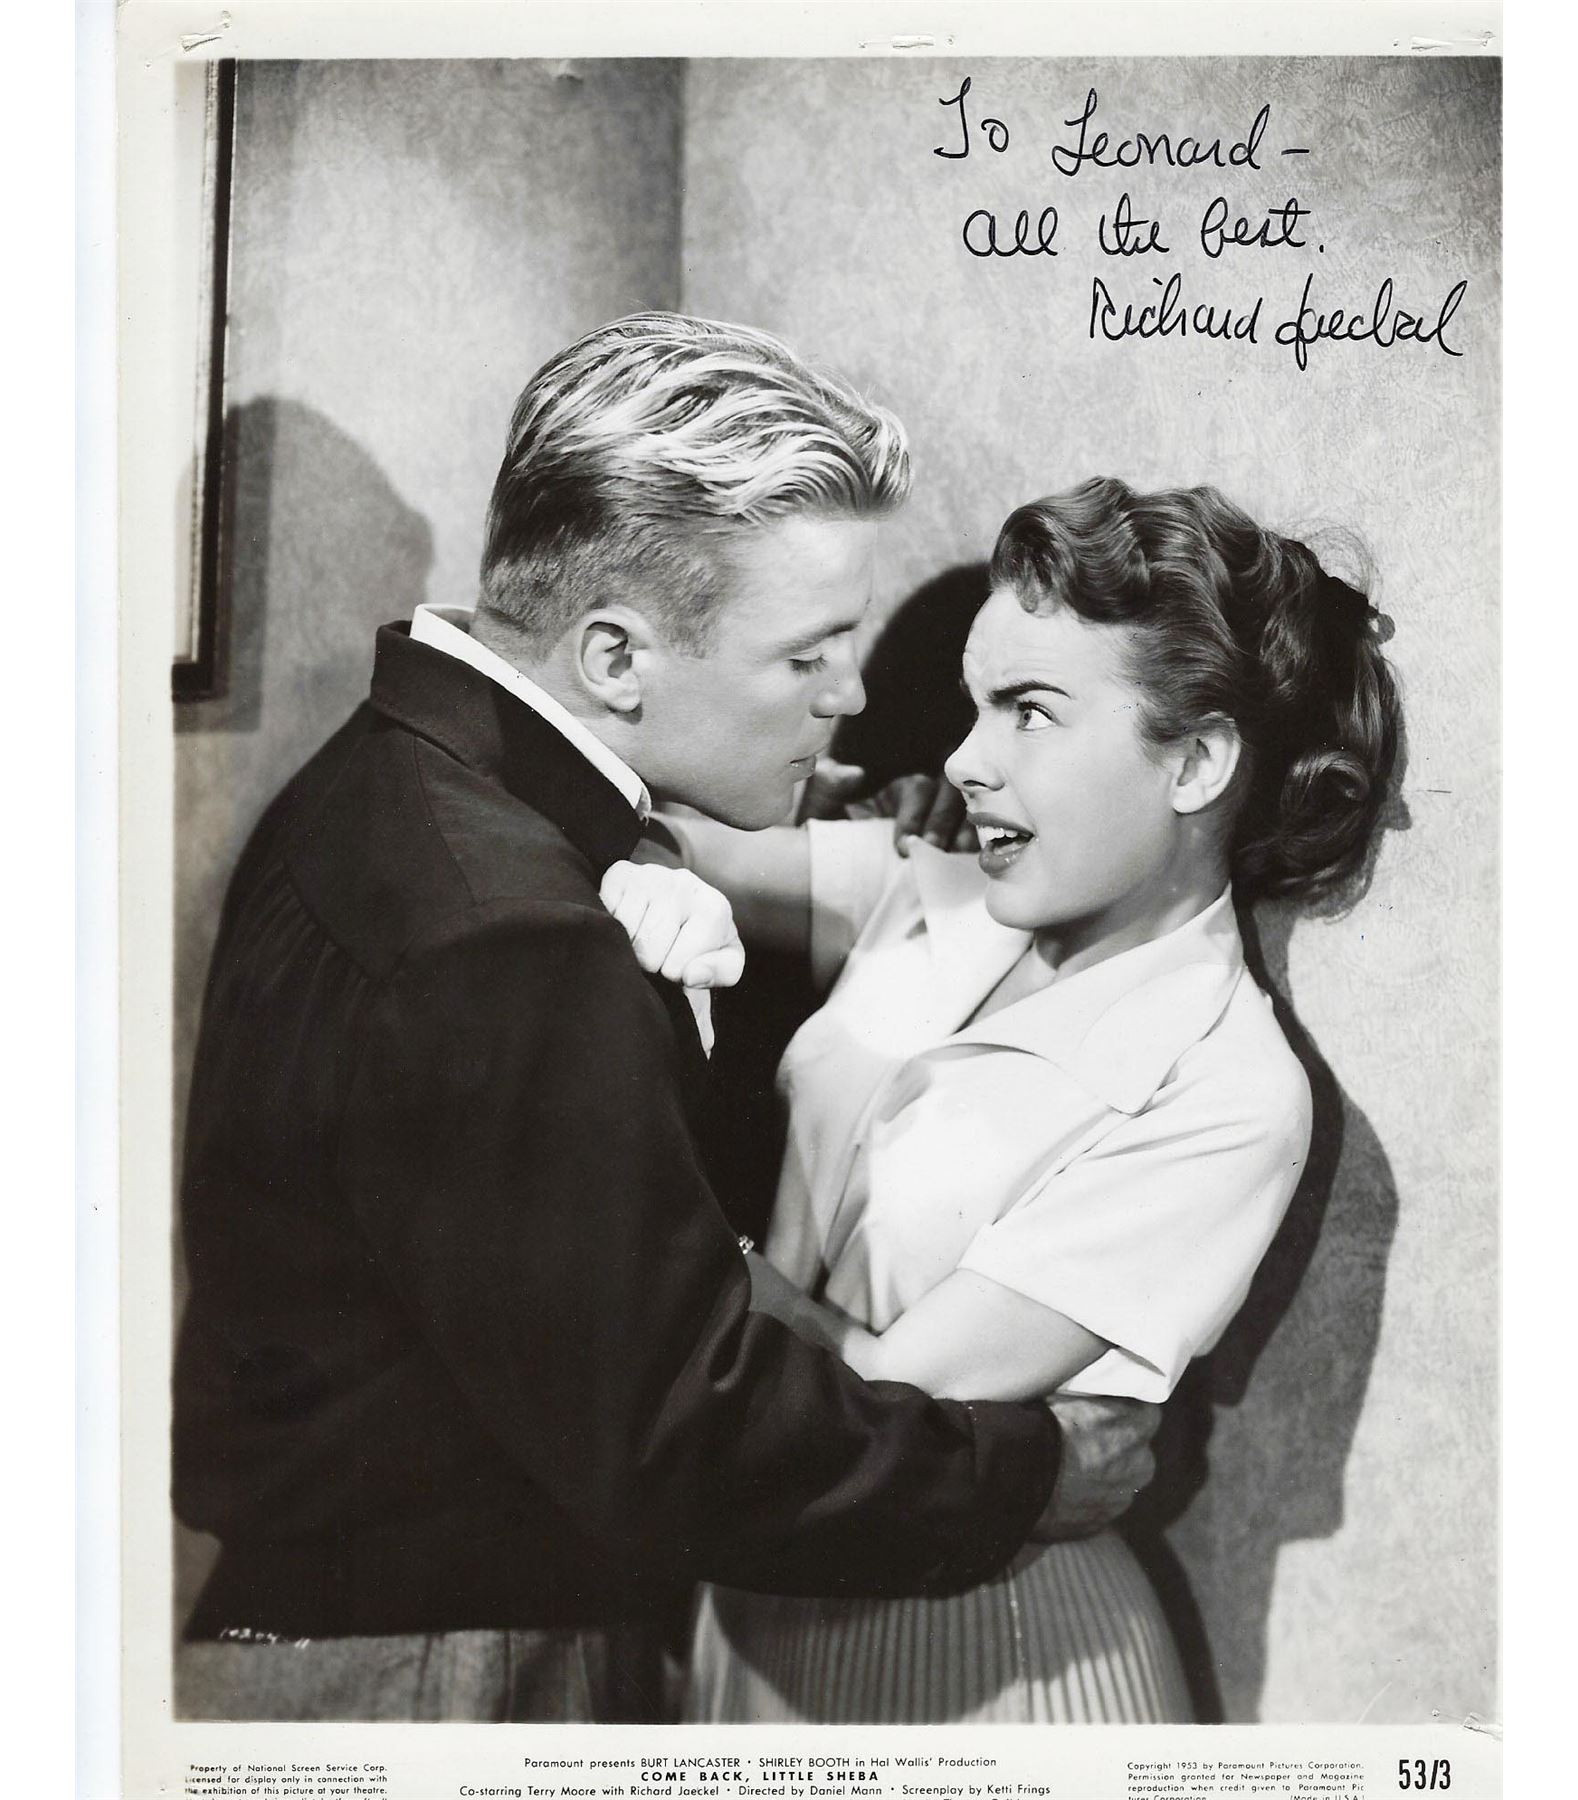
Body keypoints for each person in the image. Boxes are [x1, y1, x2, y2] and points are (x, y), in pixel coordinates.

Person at [171, 316, 1161, 1724]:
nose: (852, 695)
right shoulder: (508, 930)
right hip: (447, 1671)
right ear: (616, 657)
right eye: (809, 655)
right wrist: (1029, 1473)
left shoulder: (388, 788)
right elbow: (677, 1433)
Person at [617, 476, 1401, 1722]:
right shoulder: (932, 892)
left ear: (1197, 760)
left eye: (1029, 711)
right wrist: (658, 868)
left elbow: (884, 1406)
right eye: (977, 706)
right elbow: (637, 824)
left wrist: (634, 1232)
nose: (963, 760)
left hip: (992, 1663)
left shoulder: (1226, 1092)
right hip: (748, 1625)